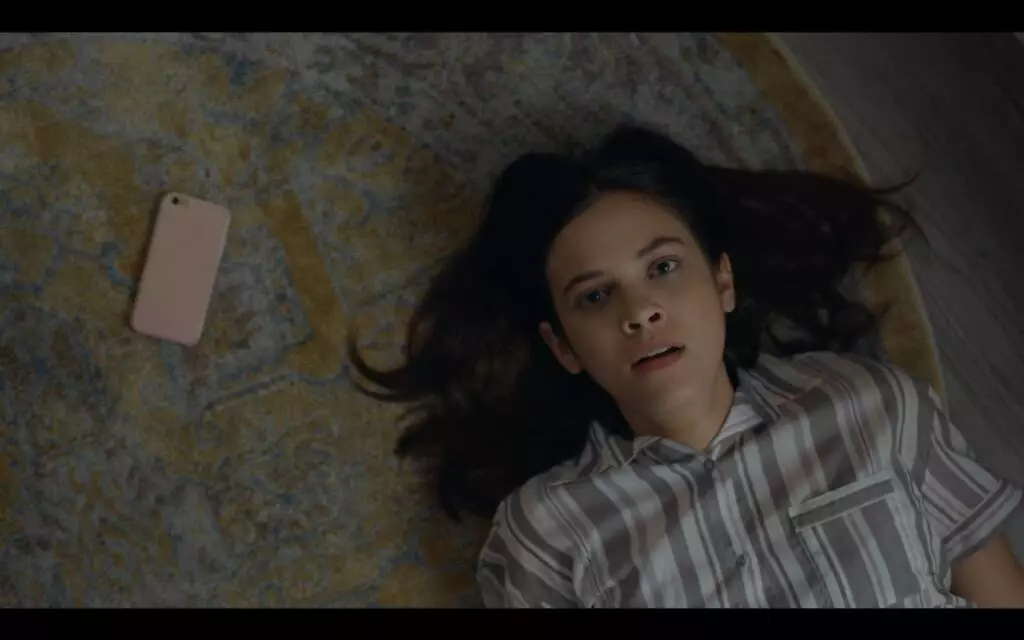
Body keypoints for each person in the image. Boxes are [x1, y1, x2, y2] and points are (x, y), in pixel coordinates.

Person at [348, 124, 1024, 608]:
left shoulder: (868, 405)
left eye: (663, 267)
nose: (640, 312)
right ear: (564, 347)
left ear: (722, 282)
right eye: (595, 296)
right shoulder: (548, 533)